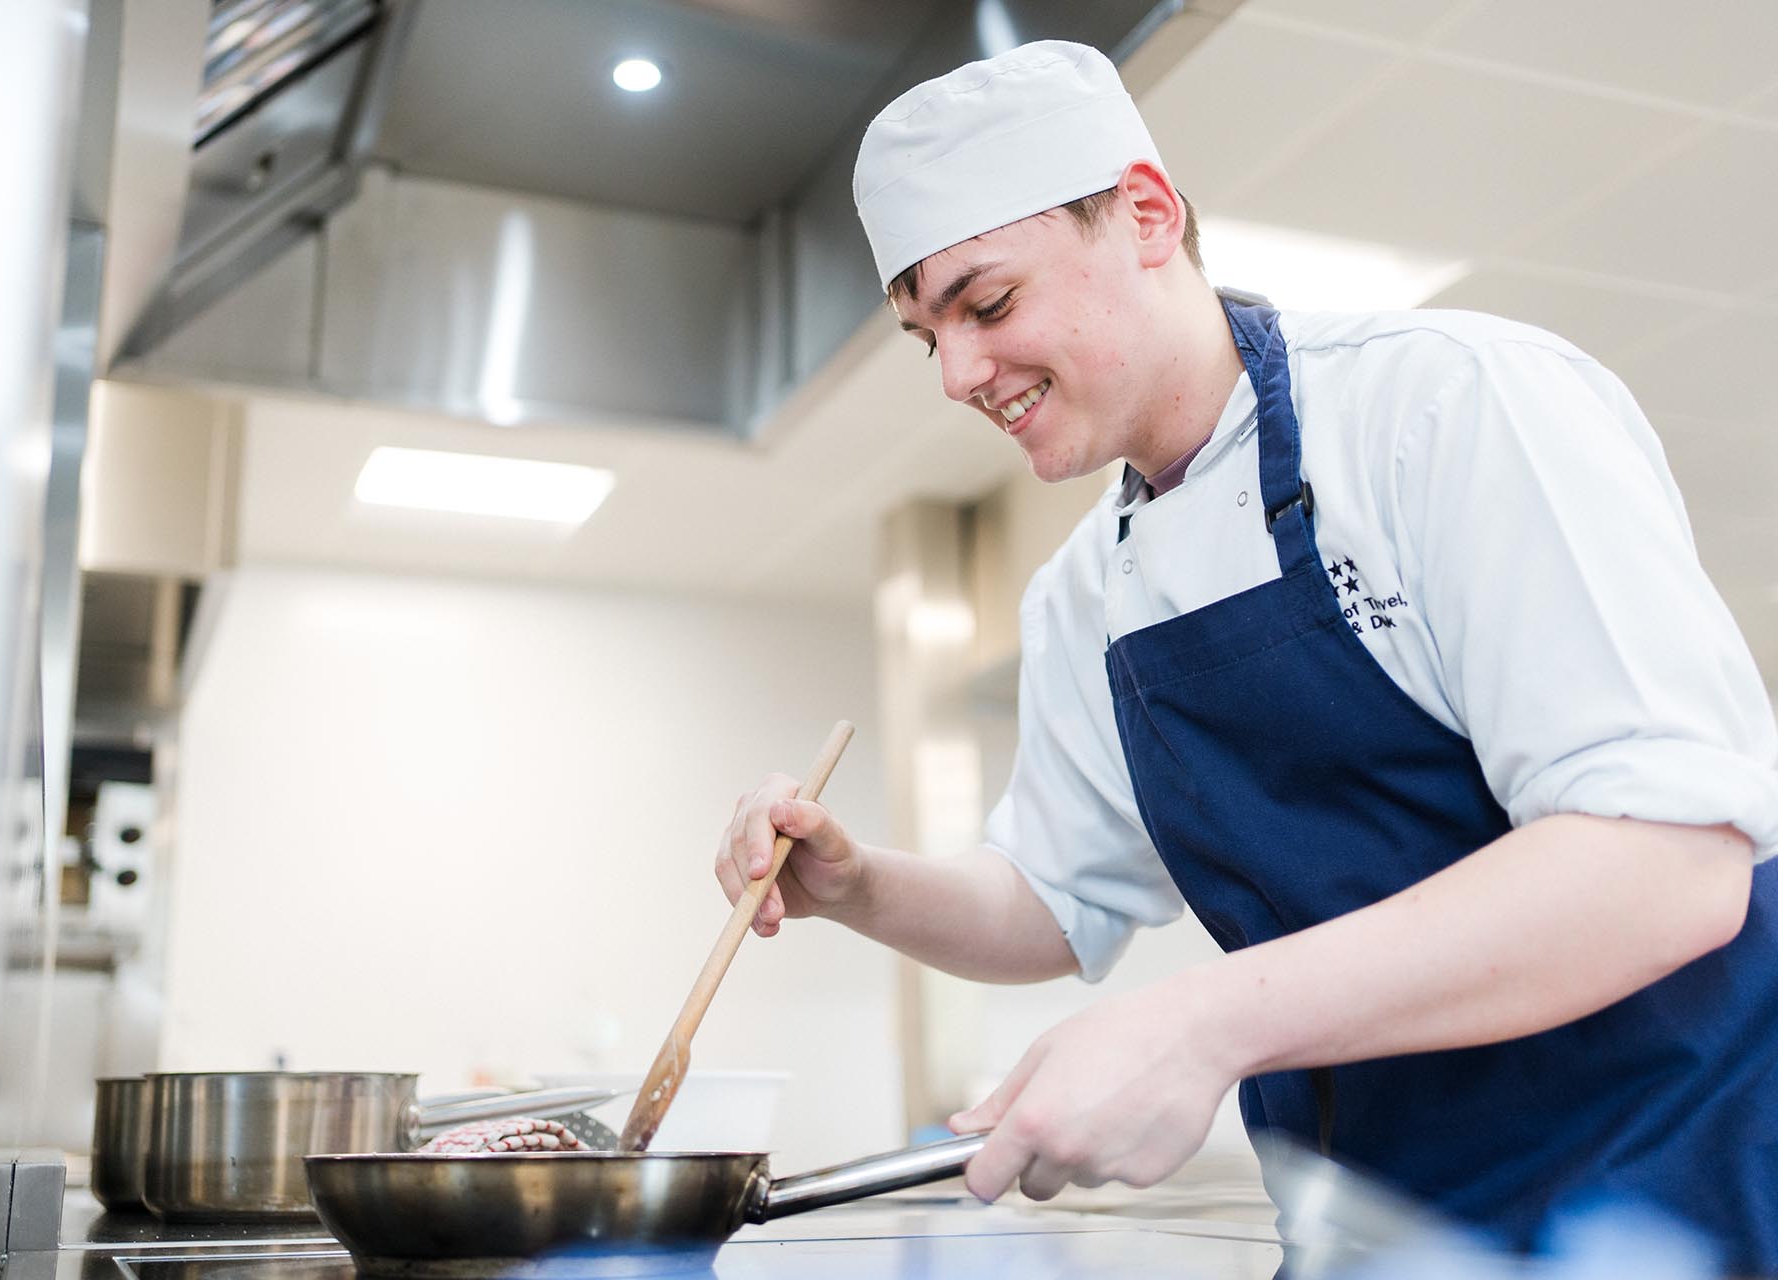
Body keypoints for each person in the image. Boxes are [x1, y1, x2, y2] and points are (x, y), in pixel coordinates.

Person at [712, 39, 1778, 1272]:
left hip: (1678, 1194)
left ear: (1149, 214)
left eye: (988, 304)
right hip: (1383, 1230)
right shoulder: (1086, 591)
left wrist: (1205, 1022)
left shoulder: (1446, 410)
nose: (957, 373)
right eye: (924, 336)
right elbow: (1055, 899)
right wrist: (858, 886)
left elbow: (1665, 859)